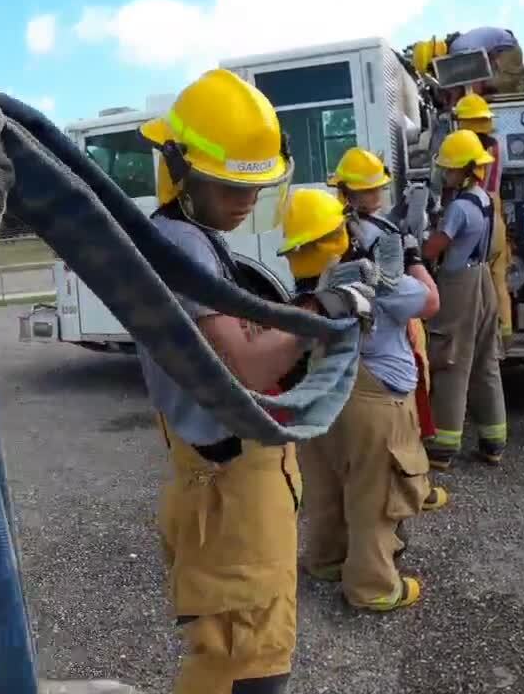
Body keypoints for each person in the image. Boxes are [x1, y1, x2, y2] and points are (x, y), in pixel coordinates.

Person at [136, 69, 374, 694]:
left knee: (256, 649)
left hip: (242, 480)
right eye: (226, 186)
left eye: (255, 186)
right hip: (227, 485)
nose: (245, 201)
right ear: (180, 167)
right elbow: (246, 365)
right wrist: (328, 310)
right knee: (246, 665)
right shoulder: (183, 247)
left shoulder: (197, 239)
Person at [276, 187, 445, 612]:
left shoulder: (308, 289)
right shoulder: (375, 278)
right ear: (339, 231)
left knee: (327, 483)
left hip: (322, 394)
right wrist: (414, 256)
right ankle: (373, 586)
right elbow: (430, 301)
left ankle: (327, 560)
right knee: (374, 493)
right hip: (375, 400)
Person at [421, 129, 509, 469]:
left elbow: (434, 247)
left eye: (451, 168)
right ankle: (493, 442)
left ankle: (442, 449)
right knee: (486, 363)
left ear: (467, 168)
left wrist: (416, 245)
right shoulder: (484, 198)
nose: (446, 173)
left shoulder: (458, 207)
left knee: (450, 361)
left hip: (459, 285)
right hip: (484, 280)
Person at [453, 92, 513, 351]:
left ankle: (482, 338)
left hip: (478, 215)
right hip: (496, 212)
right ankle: (506, 336)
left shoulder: (471, 150)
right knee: (498, 278)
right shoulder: (496, 144)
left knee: (474, 277)